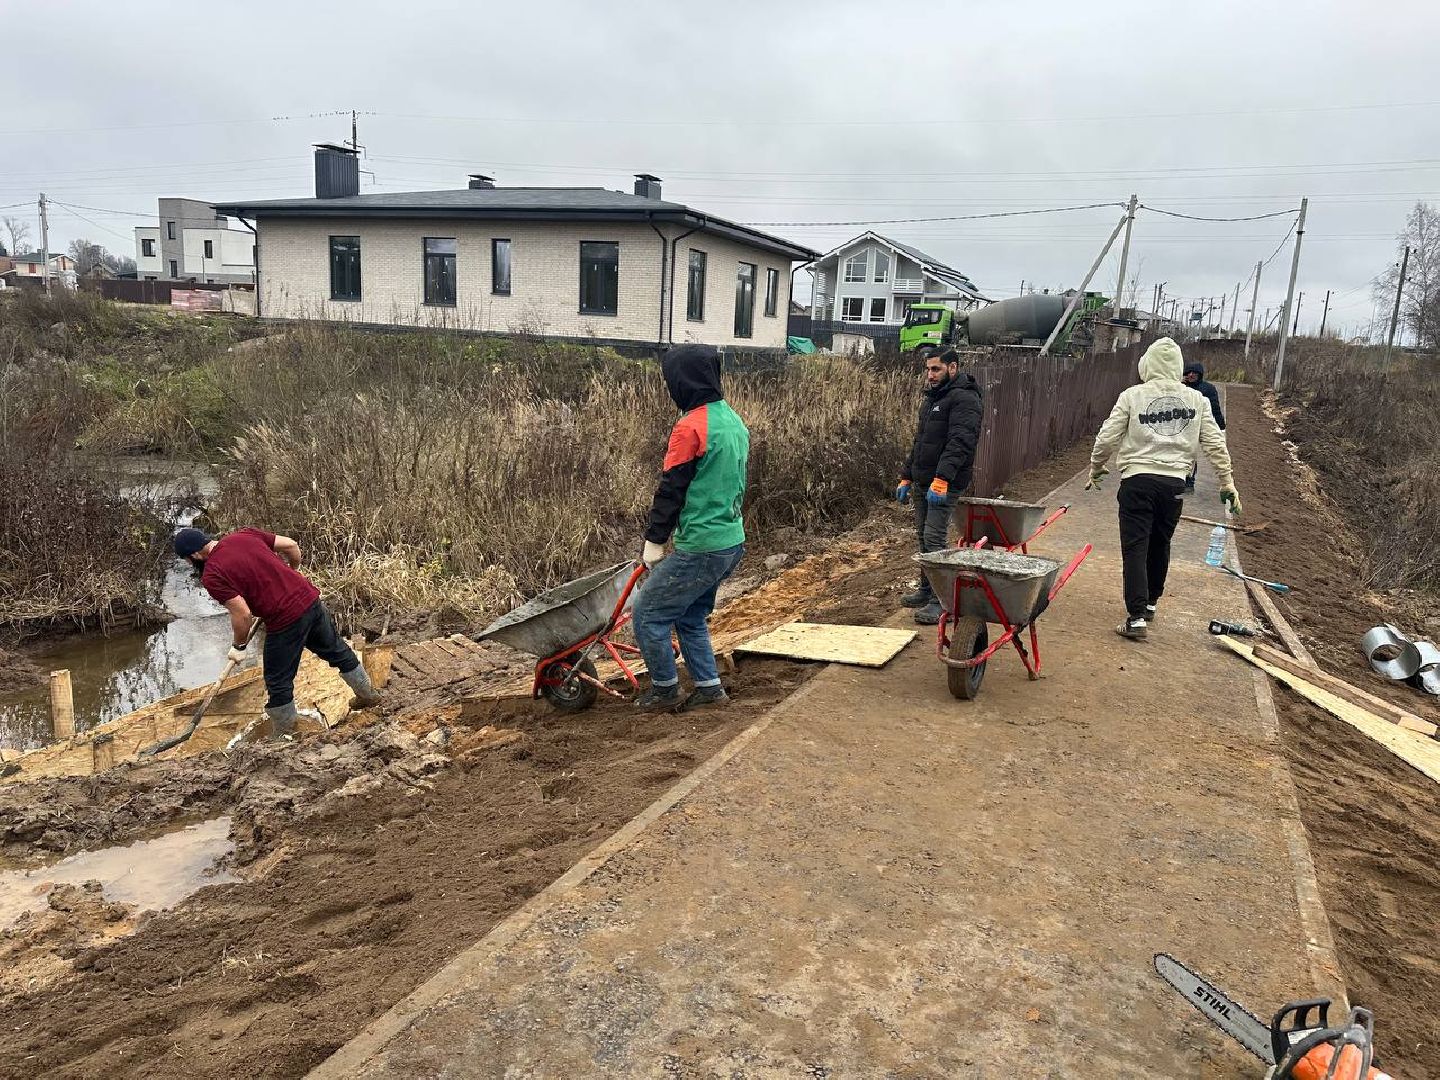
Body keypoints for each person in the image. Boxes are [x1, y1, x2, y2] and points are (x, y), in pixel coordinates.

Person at [1086, 338, 1242, 641]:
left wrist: (1096, 466)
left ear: (1148, 364)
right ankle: (1151, 603)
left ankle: (1136, 618)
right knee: (1161, 542)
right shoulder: (1197, 400)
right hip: (1177, 485)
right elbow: (1215, 443)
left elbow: (1107, 436)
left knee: (1135, 547)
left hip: (1137, 481)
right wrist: (1227, 482)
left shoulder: (1133, 395)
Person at [173, 526, 382, 736]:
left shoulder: (213, 574)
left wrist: (239, 645)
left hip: (285, 620)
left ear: (194, 555)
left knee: (277, 679)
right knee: (337, 650)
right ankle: (368, 696)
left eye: (187, 560)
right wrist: (292, 572)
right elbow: (291, 545)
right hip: (309, 600)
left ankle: (285, 734)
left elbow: (242, 614)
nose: (190, 565)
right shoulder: (244, 535)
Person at [632, 344, 749, 712]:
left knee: (648, 614)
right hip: (731, 540)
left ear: (680, 380)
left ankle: (665, 689)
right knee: (690, 615)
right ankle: (709, 688)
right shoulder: (732, 419)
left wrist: (654, 539)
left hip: (702, 545)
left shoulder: (690, 426)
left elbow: (672, 488)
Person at [895, 347, 984, 625]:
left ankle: (941, 601)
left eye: (936, 369)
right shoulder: (933, 398)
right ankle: (926, 590)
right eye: (928, 369)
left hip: (944, 483)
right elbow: (921, 443)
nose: (930, 375)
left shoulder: (965, 399)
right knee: (923, 537)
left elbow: (960, 442)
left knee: (934, 539)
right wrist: (907, 475)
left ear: (953, 368)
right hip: (925, 480)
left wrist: (943, 478)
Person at [1182, 361, 1225, 492]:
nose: (1190, 375)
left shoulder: (1207, 389)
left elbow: (1214, 408)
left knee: (1191, 453)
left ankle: (1189, 480)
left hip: (1197, 426)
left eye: (1194, 373)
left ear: (1199, 375)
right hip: (1180, 426)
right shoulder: (1180, 387)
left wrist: (1219, 424)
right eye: (1188, 372)